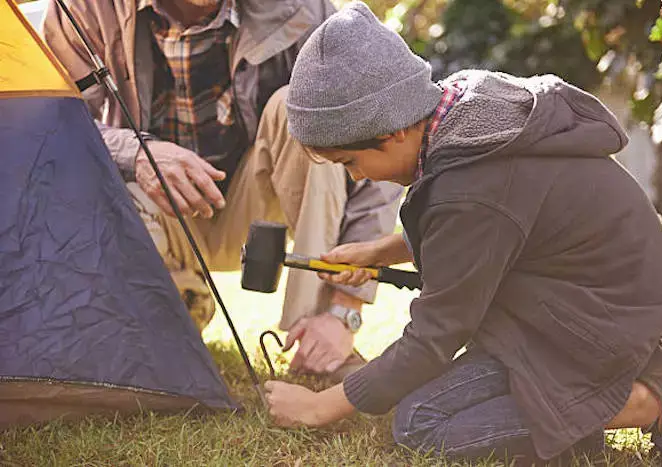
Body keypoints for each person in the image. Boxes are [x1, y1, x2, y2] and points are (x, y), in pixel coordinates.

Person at [263, 2, 662, 463]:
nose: (355, 178)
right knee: (421, 413)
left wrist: (317, 407)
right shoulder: (464, 115)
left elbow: (433, 338)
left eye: (350, 162)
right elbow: (494, 230)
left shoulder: (473, 186)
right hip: (576, 307)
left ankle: (655, 399)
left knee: (423, 428)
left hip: (593, 322)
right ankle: (621, 384)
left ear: (389, 130)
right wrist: (380, 251)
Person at [41, 0, 403, 379]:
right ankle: (181, 299)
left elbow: (378, 138)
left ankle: (317, 342)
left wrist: (345, 312)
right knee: (142, 353)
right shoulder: (83, 7)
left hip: (260, 205)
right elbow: (52, 121)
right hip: (156, 211)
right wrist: (137, 153)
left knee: (299, 110)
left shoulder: (305, 8)